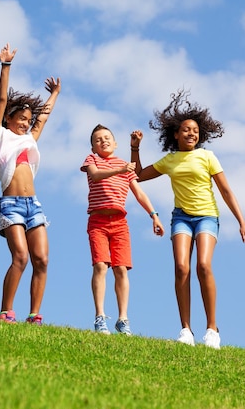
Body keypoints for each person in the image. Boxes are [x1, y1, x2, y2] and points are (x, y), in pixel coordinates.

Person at [130, 90, 245, 348]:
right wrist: (135, 148)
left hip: (207, 217)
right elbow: (139, 175)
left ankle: (212, 329)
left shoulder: (207, 156)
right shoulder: (170, 160)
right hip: (181, 217)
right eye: (186, 130)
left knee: (202, 266)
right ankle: (186, 330)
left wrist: (242, 223)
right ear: (175, 134)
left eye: (196, 130)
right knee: (181, 268)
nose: (192, 133)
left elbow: (225, 191)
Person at [0, 43, 61, 325]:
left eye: (27, 120)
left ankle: (34, 315)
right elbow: (1, 101)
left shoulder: (29, 139)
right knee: (20, 257)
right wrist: (6, 67)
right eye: (20, 118)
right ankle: (5, 312)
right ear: (8, 119)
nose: (25, 123)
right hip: (11, 204)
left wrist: (54, 94)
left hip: (34, 205)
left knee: (41, 259)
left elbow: (43, 118)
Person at [81, 124, 165, 335]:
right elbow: (97, 176)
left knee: (120, 269)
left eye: (107, 137)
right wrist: (121, 169)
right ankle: (100, 317)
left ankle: (122, 319)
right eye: (98, 139)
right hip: (98, 221)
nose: (103, 141)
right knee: (100, 266)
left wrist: (154, 215)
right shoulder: (93, 160)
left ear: (115, 143)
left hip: (120, 223)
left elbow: (139, 193)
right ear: (93, 147)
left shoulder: (124, 166)